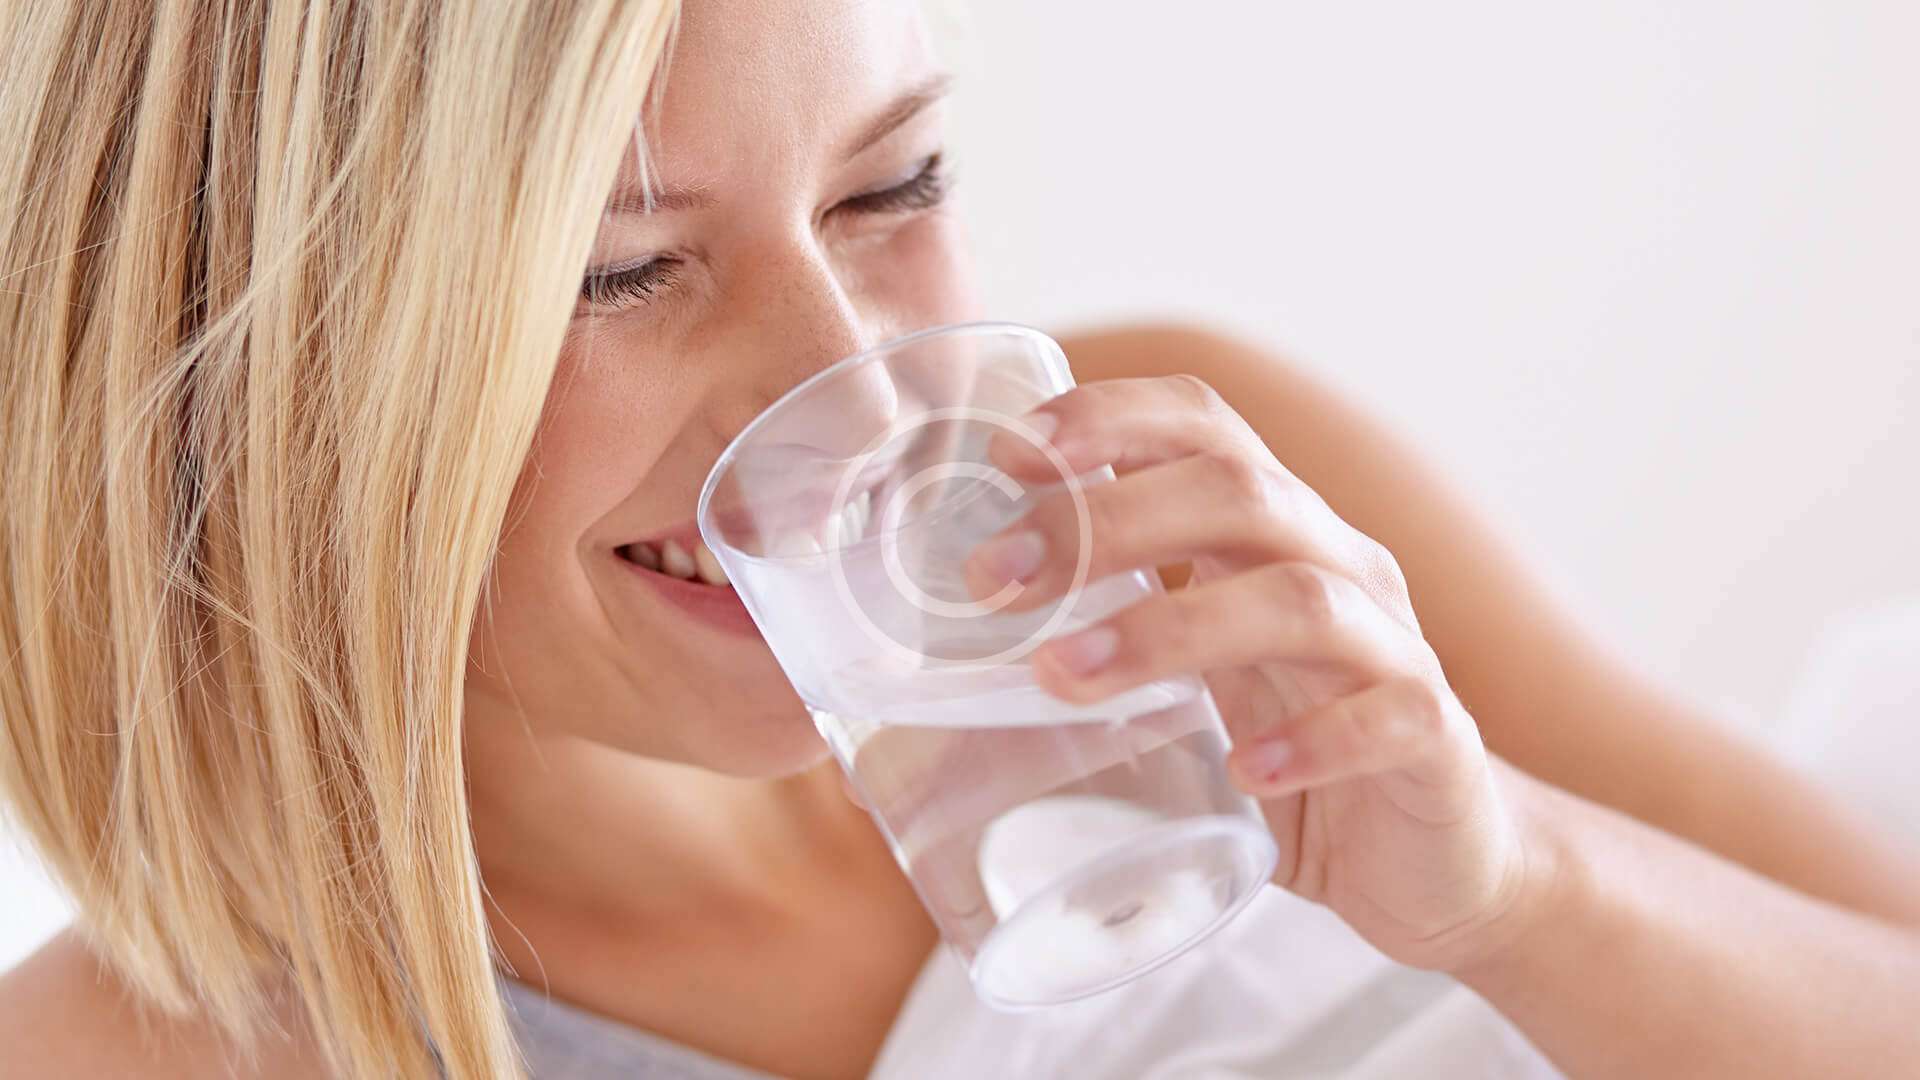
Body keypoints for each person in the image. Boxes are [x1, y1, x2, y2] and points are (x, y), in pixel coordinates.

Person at [2, 1, 1917, 1077]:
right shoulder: (137, 1053)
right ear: (234, 380)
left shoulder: (1199, 511)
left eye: (892, 185)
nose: (856, 392)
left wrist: (1520, 898)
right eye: (621, 272)